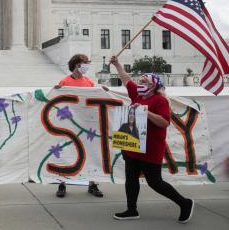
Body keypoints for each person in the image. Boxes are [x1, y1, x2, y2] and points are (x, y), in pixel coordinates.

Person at [110, 55, 194, 223]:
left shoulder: (160, 100)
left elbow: (164, 122)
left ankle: (184, 203)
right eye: (141, 81)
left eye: (146, 82)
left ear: (155, 86)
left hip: (151, 148)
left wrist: (145, 112)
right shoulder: (137, 95)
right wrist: (117, 64)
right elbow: (126, 80)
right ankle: (131, 209)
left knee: (155, 182)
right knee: (131, 178)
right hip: (132, 145)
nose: (141, 84)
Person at [54, 54, 103, 198]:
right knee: (66, 151)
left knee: (91, 153)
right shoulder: (65, 81)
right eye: (85, 63)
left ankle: (92, 184)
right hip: (69, 123)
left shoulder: (89, 82)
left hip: (86, 122)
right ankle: (62, 183)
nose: (87, 65)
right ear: (77, 64)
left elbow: (96, 99)